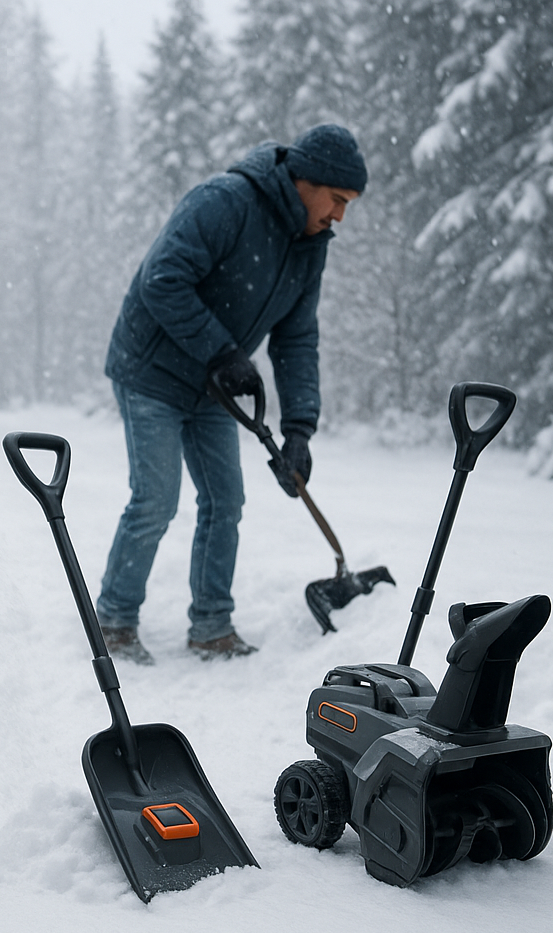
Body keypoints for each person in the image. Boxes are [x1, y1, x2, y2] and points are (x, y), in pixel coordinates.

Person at [96, 124, 366, 664]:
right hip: (151, 370)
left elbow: (296, 339)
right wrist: (222, 352)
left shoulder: (310, 247)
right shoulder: (226, 202)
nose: (339, 216)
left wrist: (299, 431)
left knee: (226, 501)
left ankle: (212, 627)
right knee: (156, 499)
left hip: (212, 385)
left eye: (348, 206)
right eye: (336, 200)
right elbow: (162, 280)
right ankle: (114, 623)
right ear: (304, 181)